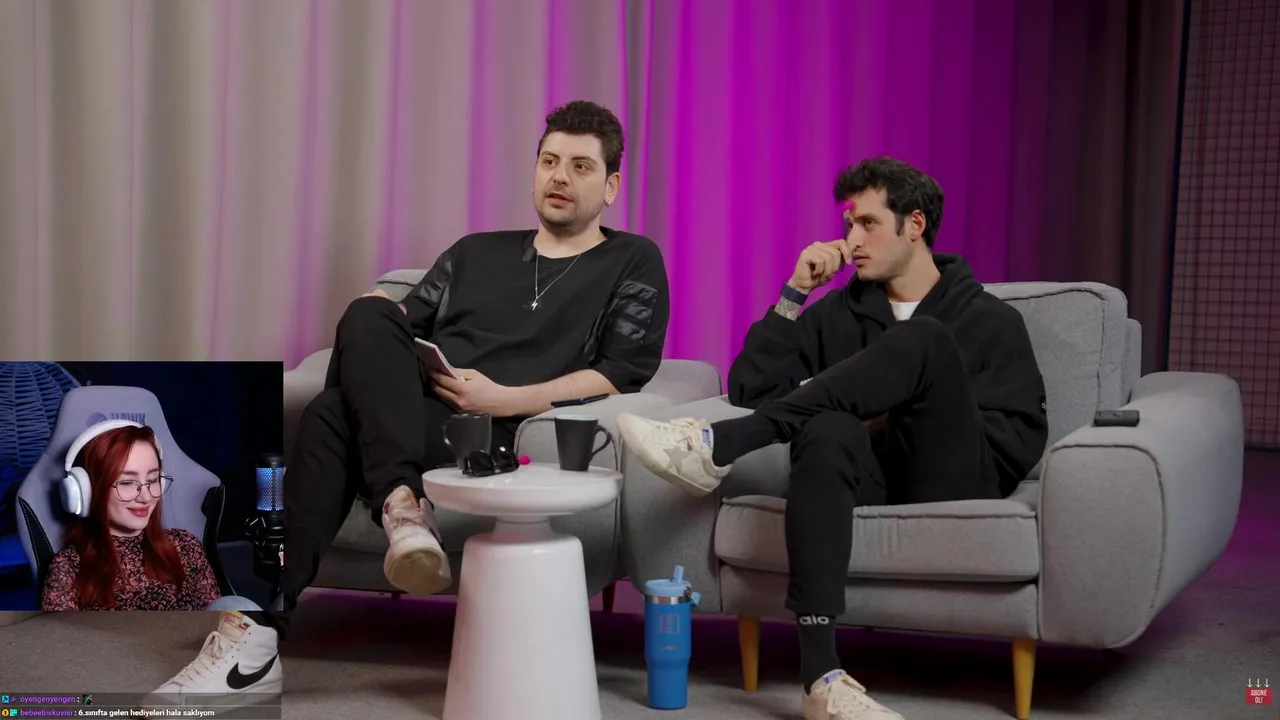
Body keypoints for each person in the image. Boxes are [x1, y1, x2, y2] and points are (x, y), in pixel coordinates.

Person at [147, 99, 671, 702]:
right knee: (367, 316)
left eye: (580, 167)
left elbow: (621, 372)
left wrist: (507, 398)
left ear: (611, 187)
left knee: (330, 415)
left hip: (491, 438)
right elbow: (393, 330)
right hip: (411, 412)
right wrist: (379, 316)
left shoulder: (632, 259)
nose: (559, 177)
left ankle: (261, 633)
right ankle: (398, 508)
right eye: (549, 161)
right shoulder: (474, 251)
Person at [617, 157, 1048, 720]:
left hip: (956, 475)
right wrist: (796, 292)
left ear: (914, 225)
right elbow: (751, 385)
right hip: (869, 478)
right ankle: (822, 677)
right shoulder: (838, 315)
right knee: (828, 426)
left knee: (925, 341)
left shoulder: (988, 318)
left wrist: (901, 415)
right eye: (848, 224)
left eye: (868, 223)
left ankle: (720, 445)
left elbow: (1019, 435)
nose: (851, 241)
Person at [41, 423, 223, 611]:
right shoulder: (69, 567)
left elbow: (221, 618)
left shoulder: (185, 546)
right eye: (127, 482)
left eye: (153, 480)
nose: (146, 497)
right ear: (86, 491)